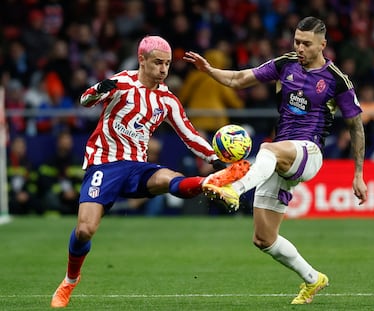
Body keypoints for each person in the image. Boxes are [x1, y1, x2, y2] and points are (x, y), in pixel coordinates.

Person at [50, 35, 248, 308]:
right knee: (84, 230)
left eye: (167, 64)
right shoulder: (121, 83)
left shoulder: (167, 99)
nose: (164, 69)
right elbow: (85, 101)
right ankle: (70, 281)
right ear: (142, 60)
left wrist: (214, 158)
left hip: (137, 166)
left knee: (170, 178)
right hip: (105, 164)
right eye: (158, 63)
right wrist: (98, 88)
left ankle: (209, 182)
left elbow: (188, 134)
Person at [184, 16, 368, 305]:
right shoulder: (286, 64)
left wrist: (358, 174)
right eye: (297, 41)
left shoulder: (337, 80)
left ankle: (234, 188)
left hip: (309, 152)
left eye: (306, 43)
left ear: (323, 44)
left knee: (268, 149)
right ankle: (313, 279)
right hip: (283, 156)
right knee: (264, 239)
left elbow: (356, 126)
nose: (300, 47)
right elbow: (238, 79)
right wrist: (209, 71)